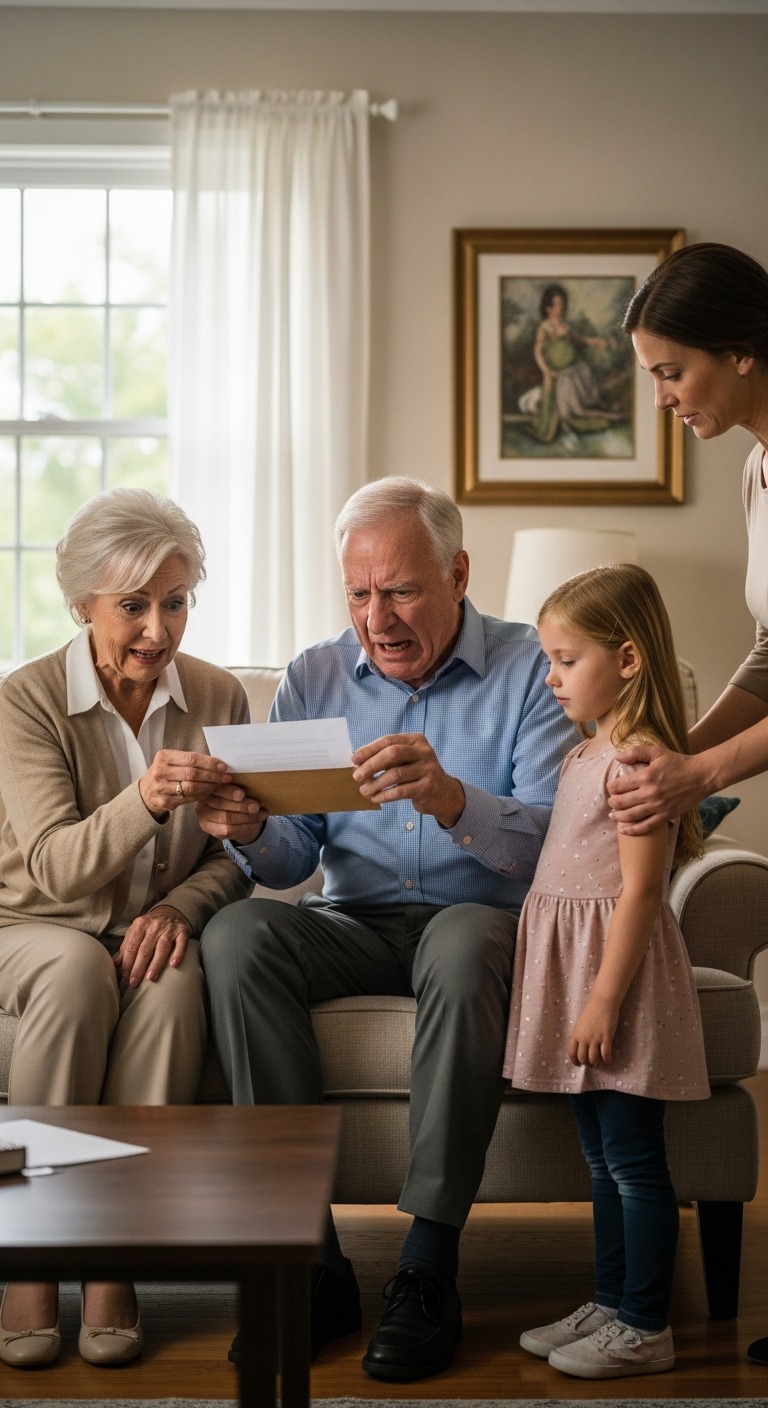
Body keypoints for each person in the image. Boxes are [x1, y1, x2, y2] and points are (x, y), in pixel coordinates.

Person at [196, 476, 576, 1382]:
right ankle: (311, 1263)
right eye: (360, 594)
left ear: (457, 573)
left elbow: (556, 851)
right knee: (238, 935)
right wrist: (249, 828)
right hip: (352, 920)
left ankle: (427, 1265)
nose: (379, 616)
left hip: (476, 917)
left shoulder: (533, 668)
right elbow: (292, 861)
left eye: (401, 590)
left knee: (466, 939)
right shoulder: (314, 678)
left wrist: (452, 800)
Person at [0, 487, 252, 1369]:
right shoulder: (25, 701)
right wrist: (146, 797)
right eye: (133, 606)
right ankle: (27, 1259)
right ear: (82, 605)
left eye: (175, 602)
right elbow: (56, 869)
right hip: (30, 925)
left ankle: (114, 1259)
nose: (158, 628)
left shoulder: (219, 695)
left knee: (175, 979)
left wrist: (182, 906)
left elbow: (236, 857)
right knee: (75, 971)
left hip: (146, 927)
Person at [606, 243, 768, 1368]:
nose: (663, 400)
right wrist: (680, 751)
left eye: (672, 373)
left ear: (743, 352)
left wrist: (701, 777)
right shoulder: (759, 468)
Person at [504, 563, 709, 1380]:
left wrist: (601, 1001)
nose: (550, 678)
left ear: (626, 659)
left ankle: (646, 1325)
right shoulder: (585, 754)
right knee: (600, 1160)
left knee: (633, 1161)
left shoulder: (638, 762)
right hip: (577, 976)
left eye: (566, 659)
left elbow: (640, 894)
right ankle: (612, 1297)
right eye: (547, 660)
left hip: (613, 983)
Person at [526, 283, 616, 444]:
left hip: (573, 372)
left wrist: (597, 342)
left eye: (563, 304)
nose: (561, 308)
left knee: (578, 409)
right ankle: (564, 429)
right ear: (548, 308)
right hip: (557, 375)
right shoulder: (545, 327)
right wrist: (546, 370)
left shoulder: (566, 326)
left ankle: (602, 416)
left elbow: (579, 340)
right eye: (557, 304)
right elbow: (537, 352)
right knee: (566, 413)